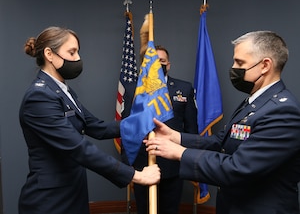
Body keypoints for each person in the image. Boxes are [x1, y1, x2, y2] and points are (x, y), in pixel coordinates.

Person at [145, 31, 300, 214]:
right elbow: (221, 141)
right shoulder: (255, 102)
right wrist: (176, 137)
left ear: (265, 65)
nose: (233, 68)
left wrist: (181, 153)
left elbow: (239, 168)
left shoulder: (281, 111)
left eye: (240, 63)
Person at [18, 26, 160, 214]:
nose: (77, 58)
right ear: (49, 54)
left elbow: (98, 128)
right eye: (71, 52)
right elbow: (78, 148)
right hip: (50, 200)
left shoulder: (62, 91)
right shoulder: (39, 96)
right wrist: (135, 175)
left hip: (72, 191)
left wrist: (141, 122)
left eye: (78, 52)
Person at [123, 45, 198, 214]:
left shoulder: (184, 88)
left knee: (170, 209)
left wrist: (190, 158)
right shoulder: (133, 89)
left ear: (168, 64)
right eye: (153, 61)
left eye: (162, 61)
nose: (158, 65)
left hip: (174, 162)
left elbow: (191, 127)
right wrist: (128, 164)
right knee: (144, 208)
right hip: (142, 162)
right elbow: (127, 126)